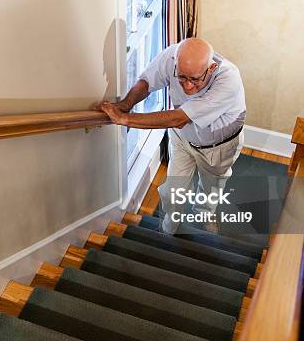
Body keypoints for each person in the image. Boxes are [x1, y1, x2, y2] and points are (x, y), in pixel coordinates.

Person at [99, 38, 246, 234]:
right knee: (173, 189)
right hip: (182, 138)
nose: (187, 86)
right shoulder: (173, 56)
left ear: (210, 69)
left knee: (212, 186)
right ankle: (170, 223)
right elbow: (146, 82)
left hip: (218, 146)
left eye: (194, 79)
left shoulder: (228, 79)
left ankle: (204, 213)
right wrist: (126, 104)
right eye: (181, 77)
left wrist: (124, 119)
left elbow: (179, 118)